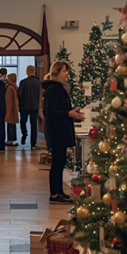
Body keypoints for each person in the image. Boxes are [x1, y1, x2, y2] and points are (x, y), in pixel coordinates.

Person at [42, 61, 84, 204]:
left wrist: (72, 114)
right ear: (56, 72)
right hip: (56, 131)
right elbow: (50, 112)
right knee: (57, 163)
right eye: (65, 71)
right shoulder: (53, 89)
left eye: (68, 71)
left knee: (60, 162)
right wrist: (69, 114)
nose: (67, 74)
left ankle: (59, 191)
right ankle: (54, 194)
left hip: (60, 130)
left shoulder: (60, 88)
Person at [18, 65, 41, 149]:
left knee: (23, 122)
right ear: (34, 71)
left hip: (24, 106)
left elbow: (19, 94)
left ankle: (24, 134)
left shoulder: (23, 82)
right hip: (35, 106)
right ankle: (33, 144)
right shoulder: (38, 83)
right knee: (34, 125)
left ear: (27, 71)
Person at [5, 73, 19, 147]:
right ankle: (12, 139)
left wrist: (7, 111)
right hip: (14, 109)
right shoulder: (15, 87)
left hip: (10, 109)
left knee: (10, 125)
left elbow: (8, 100)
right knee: (12, 125)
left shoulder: (9, 88)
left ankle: (9, 140)